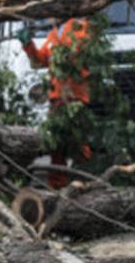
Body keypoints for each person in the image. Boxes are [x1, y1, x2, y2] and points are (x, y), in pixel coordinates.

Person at [18, 18, 92, 189]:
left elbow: (75, 54)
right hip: (57, 99)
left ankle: (87, 180)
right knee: (56, 147)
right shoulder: (53, 34)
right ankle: (57, 188)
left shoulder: (80, 27)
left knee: (78, 144)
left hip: (75, 98)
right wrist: (28, 45)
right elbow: (40, 61)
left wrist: (57, 38)